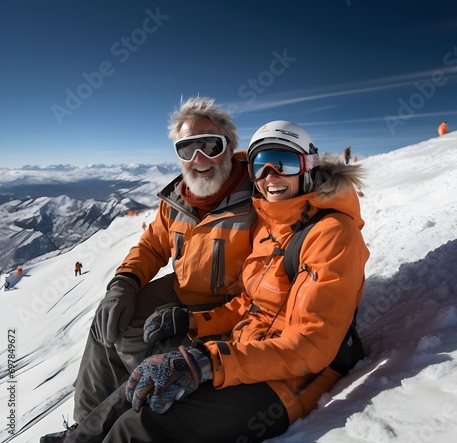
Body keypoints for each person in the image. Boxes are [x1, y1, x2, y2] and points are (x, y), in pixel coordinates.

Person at [62, 120, 369, 443]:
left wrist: (207, 362)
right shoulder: (271, 224)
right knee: (136, 388)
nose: (270, 176)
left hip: (288, 379)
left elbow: (311, 346)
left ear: (308, 166)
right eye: (261, 167)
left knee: (137, 425)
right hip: (242, 349)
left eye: (284, 163)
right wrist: (194, 323)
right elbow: (253, 303)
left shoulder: (331, 234)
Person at [41, 97, 256, 442]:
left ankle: (105, 428)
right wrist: (124, 281)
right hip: (183, 294)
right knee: (107, 324)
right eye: (187, 149)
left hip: (229, 310)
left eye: (209, 145)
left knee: (152, 354)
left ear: (230, 147)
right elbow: (153, 245)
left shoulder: (257, 198)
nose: (198, 159)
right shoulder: (179, 199)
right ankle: (84, 424)